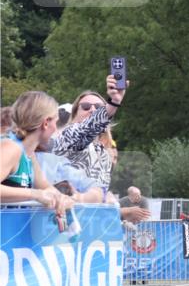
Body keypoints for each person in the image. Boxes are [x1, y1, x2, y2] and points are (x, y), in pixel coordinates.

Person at [0, 91, 75, 219]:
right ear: (46, 123)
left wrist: (63, 199)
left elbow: (46, 188)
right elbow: (40, 192)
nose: (56, 130)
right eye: (56, 123)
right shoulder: (11, 148)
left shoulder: (29, 154)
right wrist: (35, 194)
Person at [50, 76, 126, 189]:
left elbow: (100, 193)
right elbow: (88, 127)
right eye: (85, 107)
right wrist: (114, 101)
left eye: (99, 107)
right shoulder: (68, 136)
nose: (93, 110)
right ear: (74, 114)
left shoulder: (103, 151)